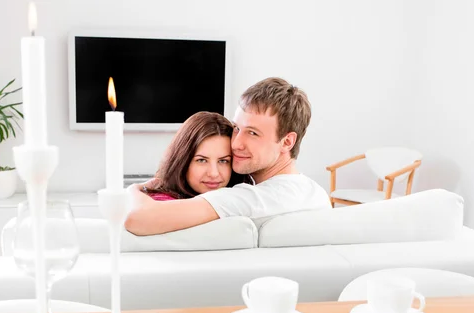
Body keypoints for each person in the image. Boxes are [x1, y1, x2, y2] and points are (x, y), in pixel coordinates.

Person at [125, 77, 331, 236]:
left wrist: (134, 188)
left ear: (287, 142)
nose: (236, 143)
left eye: (253, 133)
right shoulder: (316, 193)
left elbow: (136, 218)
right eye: (236, 128)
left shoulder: (250, 199)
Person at [142, 111, 250, 201]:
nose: (213, 173)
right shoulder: (159, 206)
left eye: (223, 161)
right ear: (182, 161)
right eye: (202, 160)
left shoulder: (239, 200)